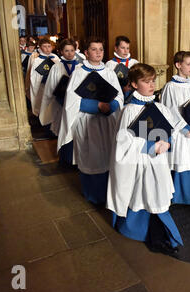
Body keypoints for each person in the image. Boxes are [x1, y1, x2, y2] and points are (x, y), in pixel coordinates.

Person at [106, 63, 184, 256]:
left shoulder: (159, 107)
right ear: (133, 84)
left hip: (159, 163)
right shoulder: (129, 111)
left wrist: (168, 142)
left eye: (153, 81)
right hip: (141, 163)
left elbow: (170, 130)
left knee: (156, 195)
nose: (151, 85)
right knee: (147, 195)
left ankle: (158, 236)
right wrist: (151, 147)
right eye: (145, 81)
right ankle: (156, 238)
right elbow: (123, 144)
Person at [58, 38, 123, 202]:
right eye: (94, 49)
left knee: (107, 156)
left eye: (101, 49)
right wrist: (98, 105)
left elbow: (120, 96)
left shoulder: (109, 72)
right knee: (90, 157)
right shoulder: (79, 72)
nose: (98, 52)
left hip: (107, 122)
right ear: (86, 53)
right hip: (87, 122)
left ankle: (108, 193)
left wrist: (113, 105)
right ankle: (93, 195)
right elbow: (72, 101)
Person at [160, 51, 190, 205]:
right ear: (178, 65)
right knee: (181, 160)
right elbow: (169, 112)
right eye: (188, 64)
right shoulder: (170, 87)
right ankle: (181, 196)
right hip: (180, 133)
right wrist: (187, 128)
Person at [40, 39, 81, 139]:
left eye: (72, 50)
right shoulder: (56, 67)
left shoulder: (80, 66)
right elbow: (50, 87)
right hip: (60, 102)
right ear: (61, 52)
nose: (70, 53)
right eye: (66, 51)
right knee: (62, 129)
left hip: (76, 103)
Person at [25, 38, 60, 117]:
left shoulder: (55, 57)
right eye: (44, 46)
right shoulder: (36, 59)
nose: (47, 49)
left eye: (49, 46)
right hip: (42, 86)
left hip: (54, 86)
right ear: (40, 47)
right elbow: (33, 75)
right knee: (42, 103)